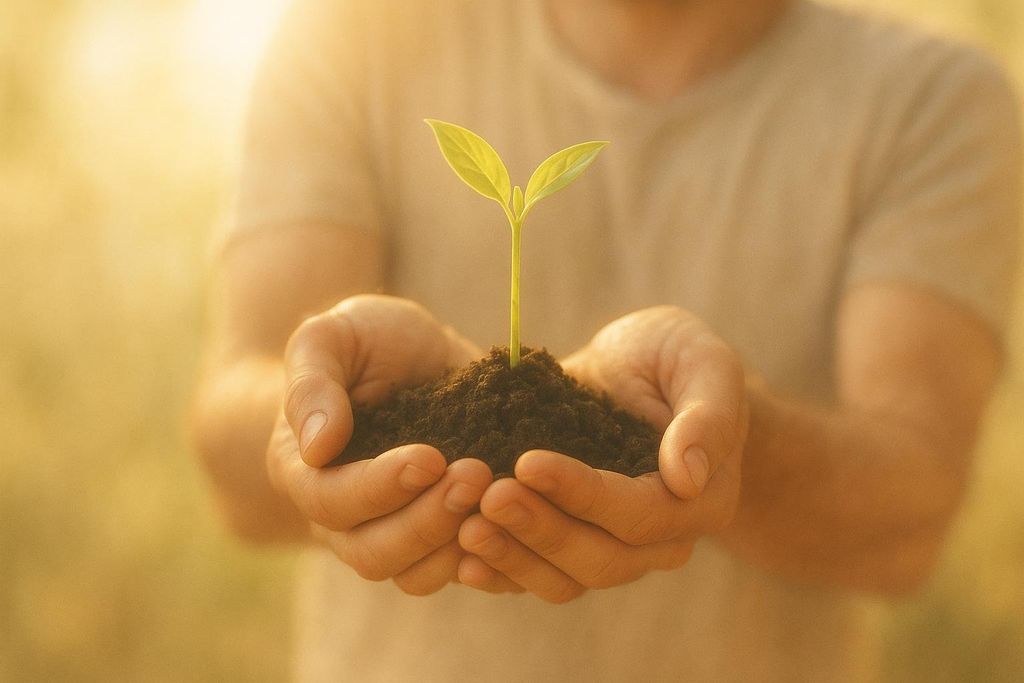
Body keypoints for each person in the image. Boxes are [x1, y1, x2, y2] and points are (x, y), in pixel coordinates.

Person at [191, 0, 1021, 680]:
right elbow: (236, 437)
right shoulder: (356, 33)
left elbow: (911, 519)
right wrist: (318, 418)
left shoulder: (930, 99)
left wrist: (723, 441)